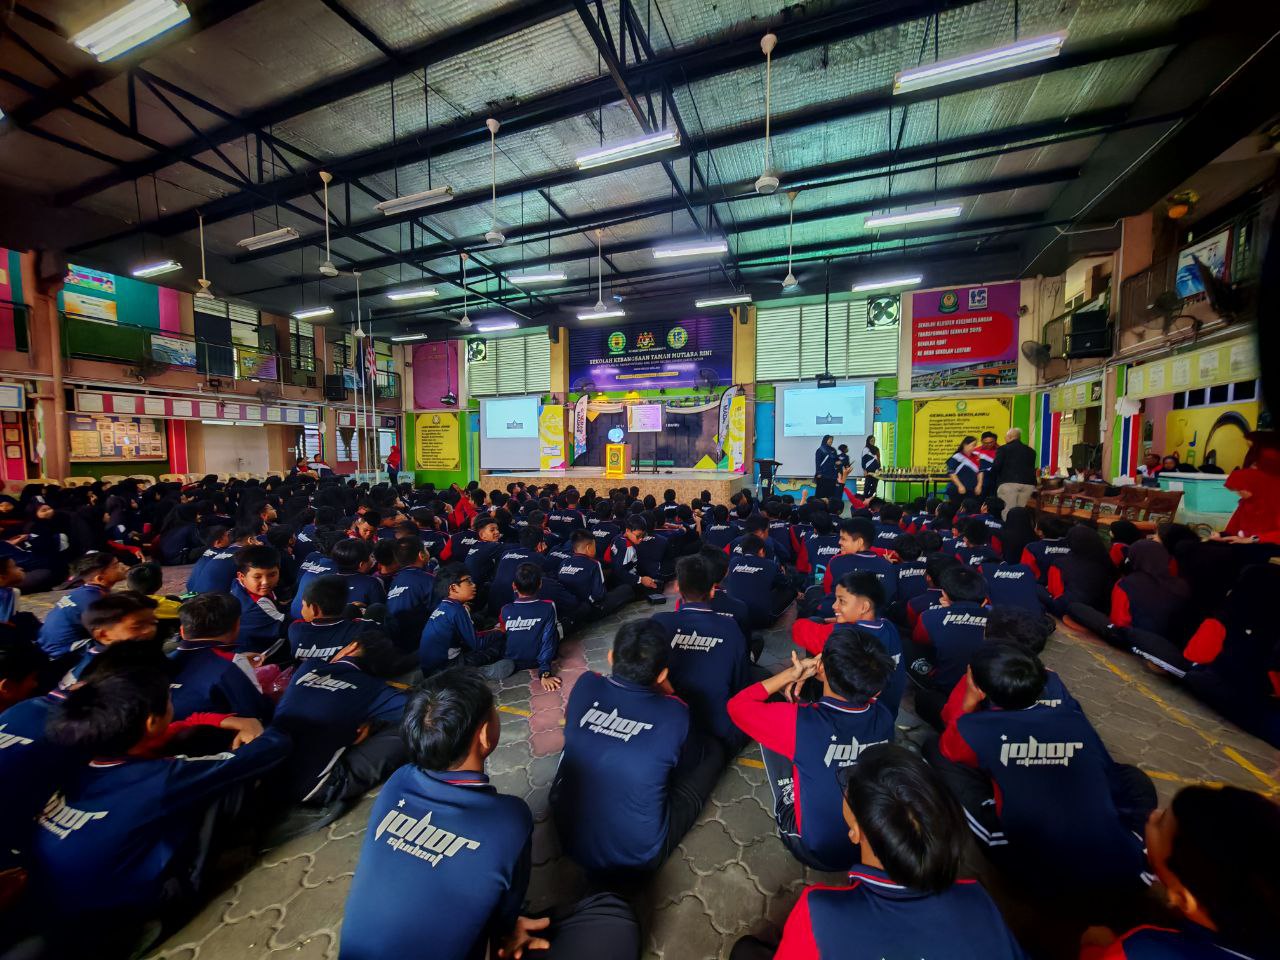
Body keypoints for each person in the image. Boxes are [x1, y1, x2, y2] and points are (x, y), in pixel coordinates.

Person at [340, 669, 639, 960]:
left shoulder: (397, 782)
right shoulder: (508, 818)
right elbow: (504, 924)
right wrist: (507, 930)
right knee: (615, 919)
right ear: (484, 735)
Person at [30, 668, 290, 950]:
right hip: (132, 906)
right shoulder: (160, 778)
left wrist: (224, 720)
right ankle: (173, 899)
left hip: (57, 901)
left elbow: (181, 726)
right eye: (169, 701)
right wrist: (270, 726)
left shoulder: (78, 764)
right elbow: (269, 749)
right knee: (222, 783)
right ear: (152, 722)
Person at [730, 743, 1027, 960]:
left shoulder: (822, 912)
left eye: (848, 787)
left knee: (745, 951)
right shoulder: (978, 901)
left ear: (855, 831)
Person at [930, 642, 1156, 897]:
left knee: (938, 753)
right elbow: (1110, 779)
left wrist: (969, 701)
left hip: (1034, 870)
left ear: (980, 689)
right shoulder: (1072, 718)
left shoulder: (975, 727)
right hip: (1122, 866)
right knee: (1130, 777)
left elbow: (950, 746)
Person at [552, 619, 725, 874]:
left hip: (567, 836)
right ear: (662, 675)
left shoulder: (586, 683)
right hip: (636, 857)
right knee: (713, 751)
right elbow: (687, 766)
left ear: (610, 657)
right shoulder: (675, 713)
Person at [729, 631, 894, 871]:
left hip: (818, 852)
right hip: (868, 849)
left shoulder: (799, 722)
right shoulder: (885, 717)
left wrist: (790, 674)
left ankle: (788, 793)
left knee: (777, 732)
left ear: (821, 668)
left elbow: (737, 707)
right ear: (876, 691)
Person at [1079, 785, 1280, 960]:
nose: (1152, 815)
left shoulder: (1140, 951)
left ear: (1183, 898)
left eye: (1160, 824)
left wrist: (1094, 950)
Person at [267, 630, 409, 837]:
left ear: (352, 646)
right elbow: (416, 710)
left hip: (268, 770)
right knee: (408, 728)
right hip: (315, 787)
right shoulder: (373, 688)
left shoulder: (308, 667)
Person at [651, 555, 755, 750]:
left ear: (677, 587)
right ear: (713, 590)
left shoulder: (658, 622)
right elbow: (740, 684)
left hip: (668, 725)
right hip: (719, 731)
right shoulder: (730, 627)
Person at [907, 565, 991, 730]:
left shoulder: (929, 617)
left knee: (907, 645)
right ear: (984, 599)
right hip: (992, 692)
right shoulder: (998, 619)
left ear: (944, 594)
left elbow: (919, 640)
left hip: (946, 691)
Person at [169, 592, 271, 721]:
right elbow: (255, 710)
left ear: (182, 631)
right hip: (213, 731)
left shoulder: (164, 660)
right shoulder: (232, 664)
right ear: (237, 626)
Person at [418, 570, 514, 680]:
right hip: (445, 668)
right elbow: (477, 643)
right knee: (497, 646)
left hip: (429, 669)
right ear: (453, 588)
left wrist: (493, 631)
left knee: (481, 627)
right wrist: (499, 631)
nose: (473, 585)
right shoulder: (456, 610)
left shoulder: (444, 606)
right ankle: (478, 673)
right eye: (468, 581)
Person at [57, 591, 160, 687]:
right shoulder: (102, 676)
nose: (150, 630)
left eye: (153, 623)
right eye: (137, 627)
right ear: (104, 635)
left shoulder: (130, 654)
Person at [36, 551, 128, 658]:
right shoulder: (93, 599)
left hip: (50, 646)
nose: (122, 566)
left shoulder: (84, 592)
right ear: (100, 578)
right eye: (115, 566)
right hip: (63, 653)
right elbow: (112, 631)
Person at [499, 563, 561, 691]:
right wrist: (544, 672)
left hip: (512, 659)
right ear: (540, 584)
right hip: (536, 661)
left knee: (500, 632)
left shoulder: (505, 610)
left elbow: (504, 632)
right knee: (555, 628)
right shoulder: (548, 606)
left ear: (514, 586)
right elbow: (548, 640)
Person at [289, 574, 379, 661]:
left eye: (303, 605)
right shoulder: (362, 629)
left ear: (314, 609)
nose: (302, 609)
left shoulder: (295, 630)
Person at [231, 544, 287, 653]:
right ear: (241, 576)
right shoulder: (256, 606)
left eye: (272, 575)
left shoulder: (238, 583)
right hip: (258, 655)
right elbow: (287, 627)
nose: (265, 582)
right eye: (257, 577)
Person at [946, 436, 982, 501]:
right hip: (957, 489)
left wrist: (979, 486)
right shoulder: (957, 456)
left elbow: (980, 472)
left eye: (975, 445)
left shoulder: (977, 457)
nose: (974, 447)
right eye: (973, 445)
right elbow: (951, 472)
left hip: (972, 490)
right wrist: (959, 485)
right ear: (965, 445)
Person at [814, 434, 840, 503]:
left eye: (832, 439)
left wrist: (838, 462)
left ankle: (829, 505)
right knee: (821, 492)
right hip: (823, 474)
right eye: (829, 439)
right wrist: (818, 472)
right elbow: (818, 462)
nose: (831, 441)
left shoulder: (833, 450)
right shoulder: (820, 450)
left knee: (831, 492)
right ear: (825, 440)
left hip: (832, 475)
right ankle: (819, 505)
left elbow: (836, 459)